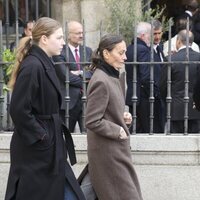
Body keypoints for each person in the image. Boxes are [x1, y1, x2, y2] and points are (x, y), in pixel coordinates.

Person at [4, 17, 85, 200]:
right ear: (44, 39)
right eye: (59, 37)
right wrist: (41, 136)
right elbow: (18, 109)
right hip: (37, 151)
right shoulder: (33, 66)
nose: (63, 42)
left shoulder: (45, 62)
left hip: (50, 147)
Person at [85, 34, 143, 200]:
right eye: (121, 52)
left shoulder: (112, 75)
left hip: (114, 150)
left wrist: (123, 116)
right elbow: (92, 120)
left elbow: (108, 110)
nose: (125, 57)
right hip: (108, 153)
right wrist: (117, 130)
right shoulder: (101, 80)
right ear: (106, 54)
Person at [53, 20, 92, 133]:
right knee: (65, 136)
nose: (81, 35)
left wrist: (79, 73)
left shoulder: (88, 51)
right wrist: (86, 78)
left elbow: (94, 72)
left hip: (87, 99)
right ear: (68, 35)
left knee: (88, 136)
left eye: (82, 33)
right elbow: (66, 77)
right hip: (68, 101)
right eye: (77, 33)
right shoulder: (60, 52)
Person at [126, 22, 163, 133]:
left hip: (135, 96)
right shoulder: (142, 49)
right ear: (142, 35)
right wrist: (155, 93)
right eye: (150, 35)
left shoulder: (131, 48)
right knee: (150, 130)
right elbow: (146, 76)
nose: (152, 38)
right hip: (145, 98)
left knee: (138, 130)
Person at [160, 30, 200, 133]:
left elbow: (163, 86)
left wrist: (168, 100)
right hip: (197, 109)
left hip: (176, 109)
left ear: (178, 41)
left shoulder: (170, 59)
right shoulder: (198, 58)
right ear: (192, 42)